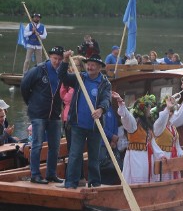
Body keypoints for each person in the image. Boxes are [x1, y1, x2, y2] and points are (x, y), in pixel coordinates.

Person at [58, 51, 112, 189]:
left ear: (99, 67)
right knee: (75, 155)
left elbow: (107, 99)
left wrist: (100, 110)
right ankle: (71, 183)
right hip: (77, 125)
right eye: (89, 64)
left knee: (94, 157)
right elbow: (62, 76)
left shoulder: (105, 83)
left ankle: (95, 183)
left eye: (93, 65)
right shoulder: (79, 77)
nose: (90, 67)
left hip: (95, 126)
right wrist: (64, 61)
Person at [20, 45, 65, 184]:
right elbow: (24, 86)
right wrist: (32, 103)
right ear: (50, 57)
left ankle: (51, 174)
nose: (56, 61)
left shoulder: (63, 72)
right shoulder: (39, 69)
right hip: (38, 114)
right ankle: (35, 174)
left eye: (59, 59)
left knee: (55, 146)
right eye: (54, 58)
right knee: (37, 144)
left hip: (55, 114)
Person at [114, 92, 182, 184]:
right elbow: (126, 117)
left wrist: (161, 155)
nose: (150, 111)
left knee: (146, 178)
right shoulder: (134, 124)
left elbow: (152, 143)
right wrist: (121, 103)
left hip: (146, 157)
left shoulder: (148, 127)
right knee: (137, 179)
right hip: (136, 157)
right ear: (143, 110)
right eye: (149, 108)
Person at [97, 103, 121, 185]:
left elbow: (115, 125)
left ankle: (109, 184)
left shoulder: (111, 109)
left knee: (115, 166)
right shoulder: (98, 108)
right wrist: (111, 136)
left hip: (112, 144)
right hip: (102, 143)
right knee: (102, 166)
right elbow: (100, 126)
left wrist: (114, 140)